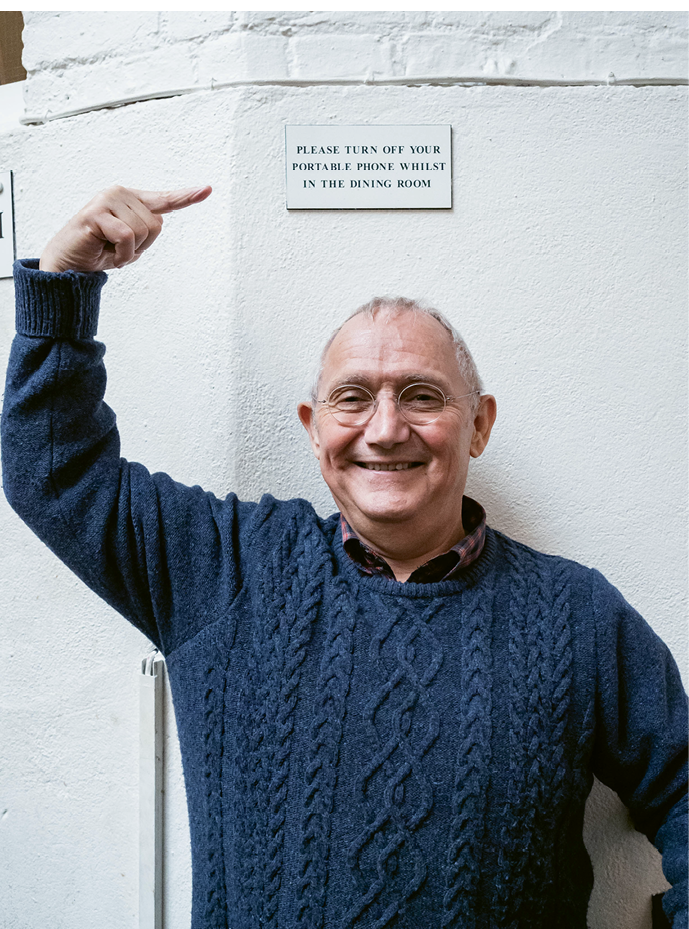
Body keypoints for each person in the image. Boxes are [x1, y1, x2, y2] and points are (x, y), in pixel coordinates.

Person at [3, 185, 689, 929]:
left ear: (479, 425)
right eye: (352, 397)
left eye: (421, 395)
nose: (385, 428)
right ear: (312, 425)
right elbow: (56, 472)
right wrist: (64, 291)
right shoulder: (225, 567)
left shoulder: (576, 613)